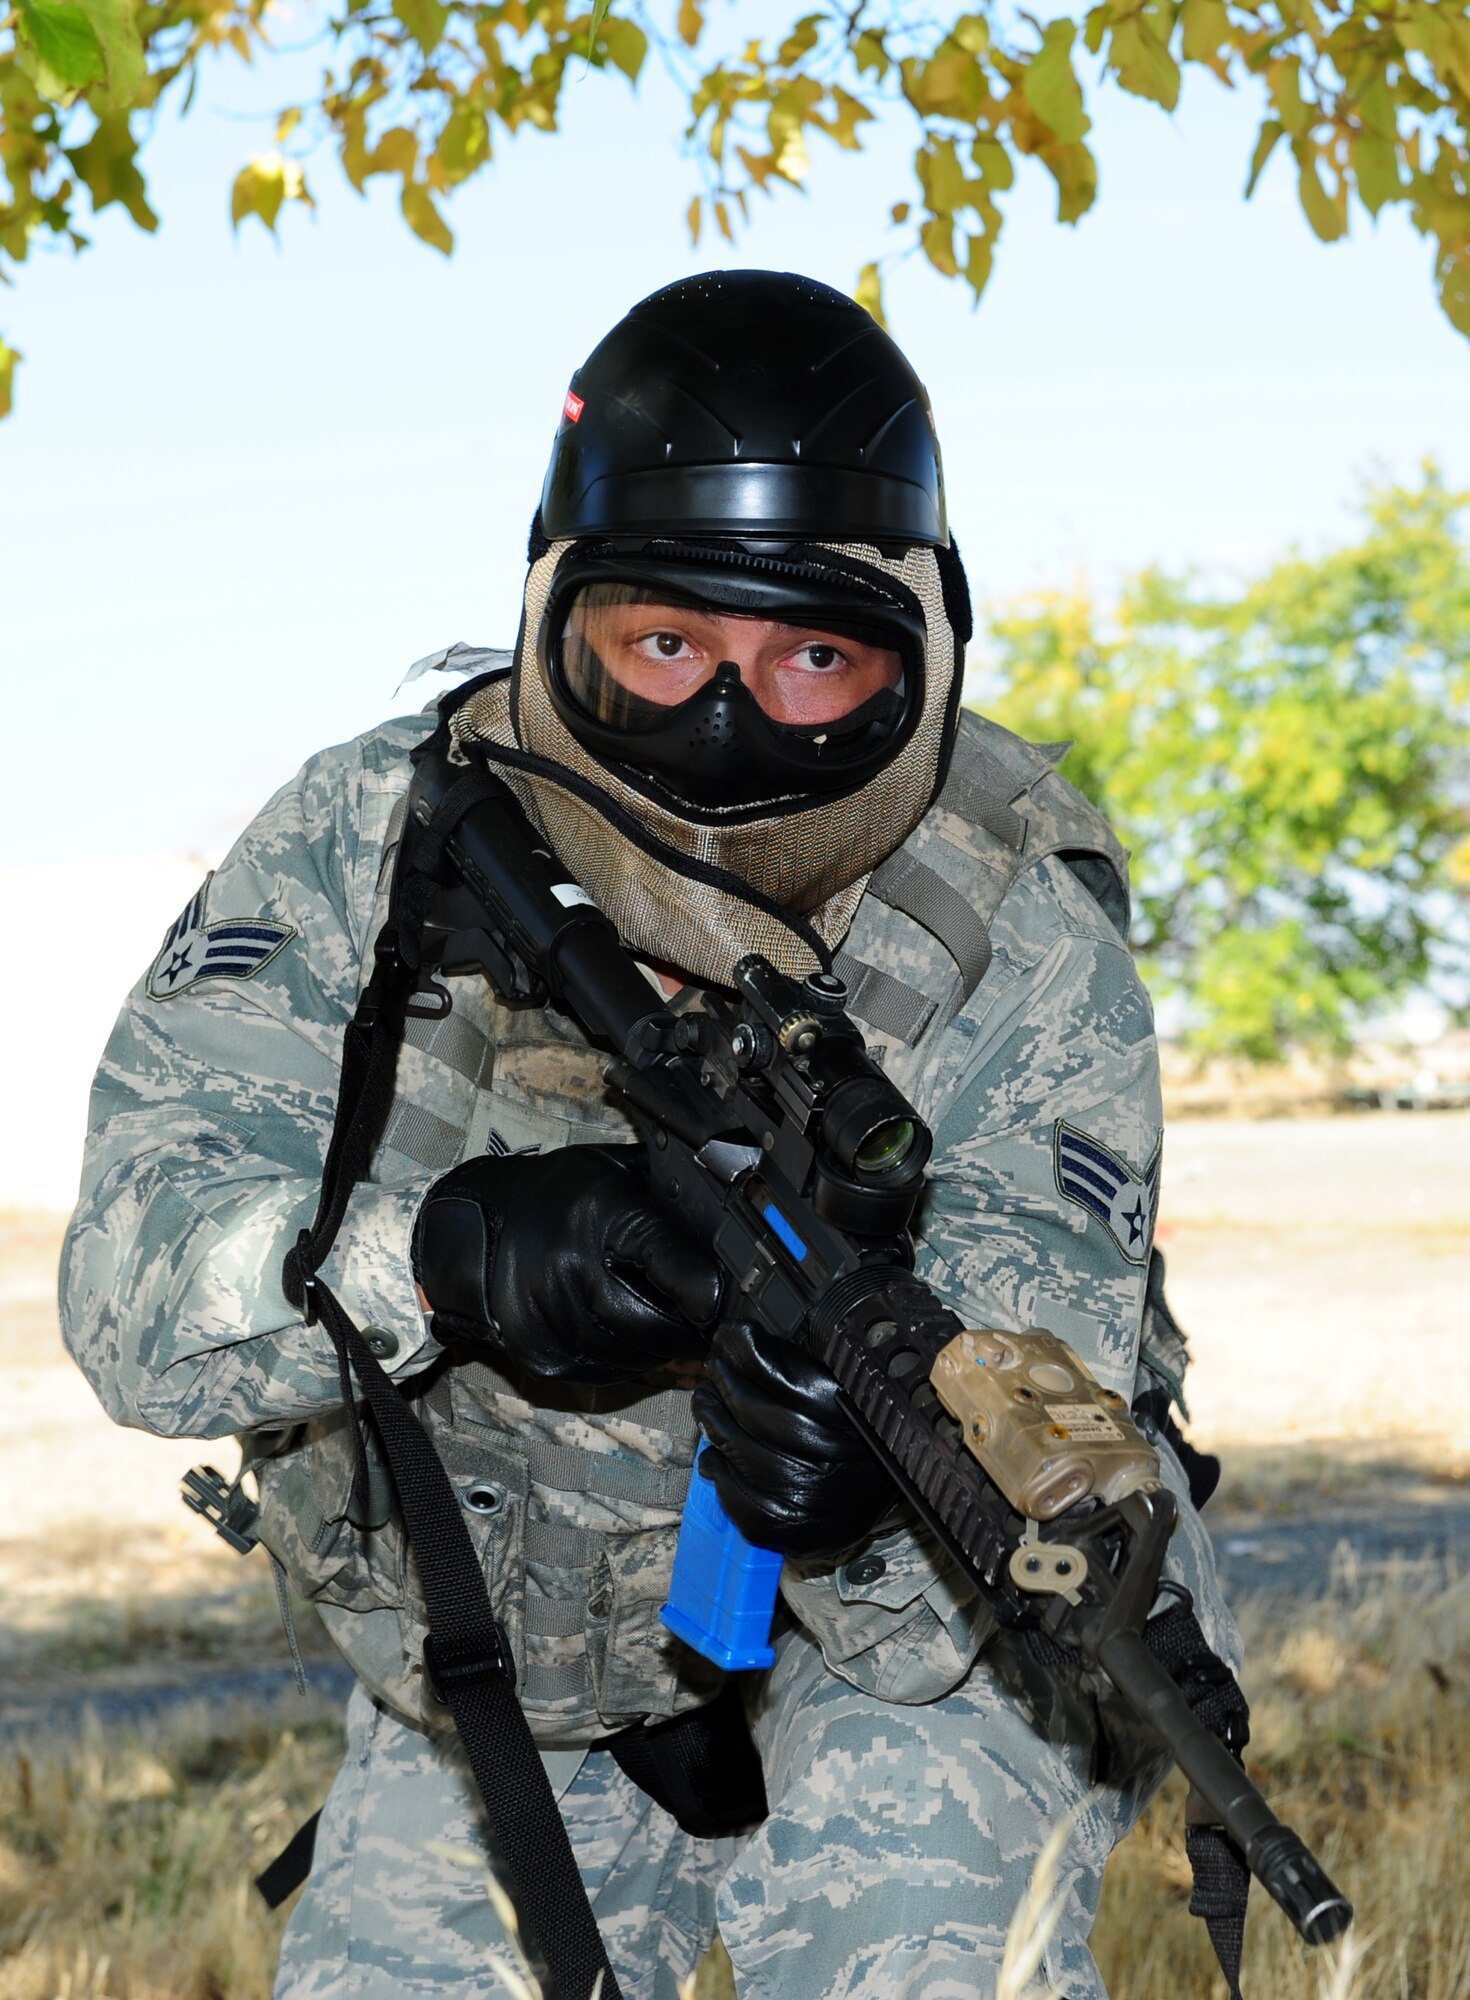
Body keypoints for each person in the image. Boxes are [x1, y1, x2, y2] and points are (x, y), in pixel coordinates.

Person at [62, 269, 1238, 2000]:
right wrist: (443, 1257)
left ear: (914, 648)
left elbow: (1040, 1337)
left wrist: (883, 1460)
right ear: (559, 614)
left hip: (921, 1643)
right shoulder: (361, 846)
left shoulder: (1013, 914)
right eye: (667, 644)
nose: (722, 720)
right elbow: (133, 1305)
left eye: (812, 660)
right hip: (506, 1648)